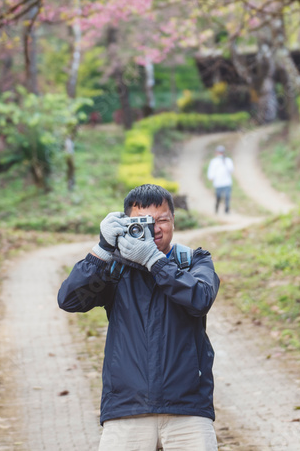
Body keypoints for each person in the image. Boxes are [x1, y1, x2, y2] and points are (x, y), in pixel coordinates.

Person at [57, 184, 220, 451]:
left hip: (188, 407)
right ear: (127, 223)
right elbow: (70, 300)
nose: (154, 228)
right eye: (143, 222)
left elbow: (200, 299)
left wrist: (155, 261)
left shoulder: (193, 261)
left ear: (173, 221)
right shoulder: (115, 268)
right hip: (127, 408)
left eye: (162, 220)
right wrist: (101, 249)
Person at [206, 145, 234, 214]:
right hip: (218, 183)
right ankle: (217, 209)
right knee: (218, 197)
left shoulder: (228, 160)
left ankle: (227, 210)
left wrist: (225, 162)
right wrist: (211, 177)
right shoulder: (214, 161)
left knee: (227, 196)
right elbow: (211, 171)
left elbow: (231, 170)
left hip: (227, 182)